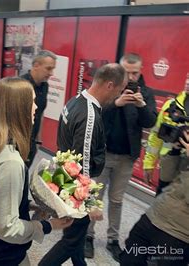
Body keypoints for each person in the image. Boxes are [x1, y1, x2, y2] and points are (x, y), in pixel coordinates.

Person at [0, 77, 74, 265]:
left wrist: (31, 205)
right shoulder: (9, 161)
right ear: (18, 109)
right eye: (31, 102)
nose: (35, 108)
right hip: (4, 254)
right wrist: (49, 226)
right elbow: (8, 228)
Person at [39, 63, 128, 266]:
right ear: (110, 85)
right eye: (119, 90)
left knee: (76, 239)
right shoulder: (89, 115)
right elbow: (82, 162)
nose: (118, 95)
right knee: (71, 242)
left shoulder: (75, 101)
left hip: (65, 181)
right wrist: (90, 203)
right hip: (75, 189)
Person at [85, 53, 157, 261]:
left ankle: (113, 240)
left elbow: (150, 122)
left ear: (141, 71)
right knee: (94, 197)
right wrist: (116, 103)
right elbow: (94, 112)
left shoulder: (146, 93)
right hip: (103, 153)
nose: (131, 77)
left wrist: (141, 105)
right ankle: (87, 237)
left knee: (116, 200)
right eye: (127, 72)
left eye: (135, 72)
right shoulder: (109, 88)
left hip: (127, 157)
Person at [120, 130, 189, 265]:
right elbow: (166, 177)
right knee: (128, 260)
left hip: (178, 233)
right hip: (153, 217)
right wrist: (174, 151)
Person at [143, 80, 189, 194]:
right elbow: (155, 136)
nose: (187, 82)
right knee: (160, 202)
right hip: (168, 167)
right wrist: (149, 163)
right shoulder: (170, 105)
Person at [21, 50, 57, 165]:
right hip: (18, 142)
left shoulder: (44, 86)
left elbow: (40, 113)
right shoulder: (20, 85)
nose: (51, 73)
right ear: (36, 65)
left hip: (31, 142)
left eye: (53, 69)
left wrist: (38, 140)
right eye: (48, 68)